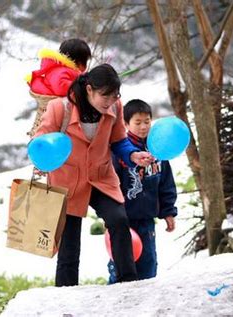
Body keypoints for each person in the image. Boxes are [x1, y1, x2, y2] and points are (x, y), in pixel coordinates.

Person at [34, 64, 154, 286]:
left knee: (119, 221)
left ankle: (128, 283)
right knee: (69, 247)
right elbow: (40, 142)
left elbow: (119, 141)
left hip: (100, 177)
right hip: (67, 183)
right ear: (89, 89)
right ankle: (66, 293)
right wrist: (43, 160)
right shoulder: (59, 108)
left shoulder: (115, 108)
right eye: (104, 95)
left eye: (115, 94)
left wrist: (133, 155)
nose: (109, 101)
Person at [107, 99, 178, 284]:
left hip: (146, 219)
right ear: (126, 124)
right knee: (120, 266)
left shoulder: (157, 149)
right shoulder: (120, 153)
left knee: (148, 264)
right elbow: (111, 184)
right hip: (123, 220)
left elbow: (166, 182)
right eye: (137, 122)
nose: (143, 127)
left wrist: (168, 212)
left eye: (147, 121)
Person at [26, 38, 91, 97]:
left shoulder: (61, 68)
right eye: (86, 61)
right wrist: (81, 86)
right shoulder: (61, 71)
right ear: (80, 63)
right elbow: (61, 87)